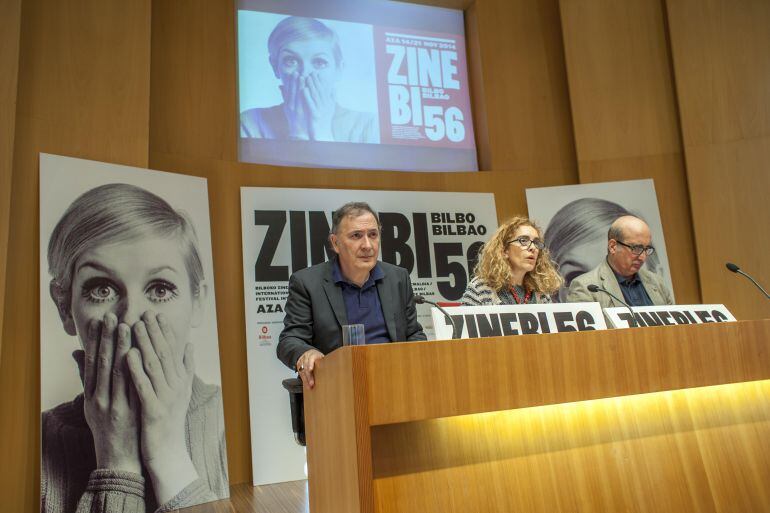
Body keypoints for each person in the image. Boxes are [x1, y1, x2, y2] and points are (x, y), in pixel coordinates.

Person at [41, 183, 228, 513]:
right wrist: (117, 461)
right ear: (63, 307)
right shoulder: (36, 442)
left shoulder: (234, 424)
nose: (128, 318)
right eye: (101, 290)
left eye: (159, 289)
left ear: (197, 302)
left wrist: (169, 454)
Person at [277, 202, 426, 387]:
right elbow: (290, 340)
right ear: (335, 243)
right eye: (356, 236)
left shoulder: (398, 278)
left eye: (373, 235)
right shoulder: (307, 283)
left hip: (394, 383)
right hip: (337, 388)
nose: (367, 245)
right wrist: (305, 353)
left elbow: (413, 333)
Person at [240, 16, 379, 143]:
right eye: (291, 60)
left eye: (319, 62)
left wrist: (322, 132)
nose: (305, 73)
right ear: (275, 67)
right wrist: (299, 132)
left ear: (338, 69)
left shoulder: (368, 125)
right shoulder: (250, 122)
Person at [544, 198, 664, 302]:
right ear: (554, 292)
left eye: (616, 274)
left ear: (656, 273)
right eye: (575, 276)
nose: (600, 284)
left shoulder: (657, 286)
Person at [567, 215, 674, 307]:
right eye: (636, 248)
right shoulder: (586, 288)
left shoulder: (656, 282)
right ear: (613, 246)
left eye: (646, 249)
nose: (643, 257)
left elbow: (674, 327)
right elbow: (589, 332)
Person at [461, 216, 562, 305]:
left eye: (536, 242)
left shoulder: (542, 293)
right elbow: (463, 326)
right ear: (504, 250)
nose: (533, 248)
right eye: (523, 240)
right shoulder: (481, 289)